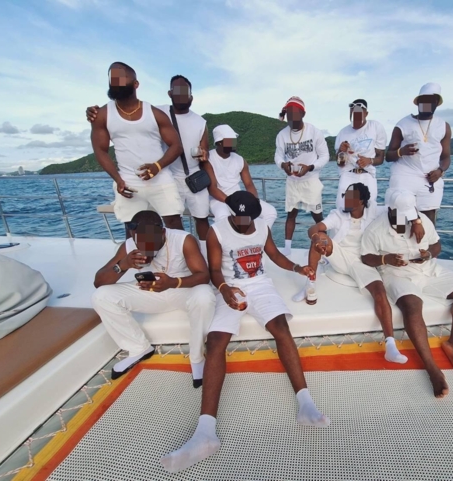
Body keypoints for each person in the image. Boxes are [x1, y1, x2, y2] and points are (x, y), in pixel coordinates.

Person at [160, 191, 329, 473]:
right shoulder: (216, 231)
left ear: (254, 215)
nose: (240, 222)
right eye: (236, 217)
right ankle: (205, 433)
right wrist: (225, 289)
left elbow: (273, 255)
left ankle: (306, 404)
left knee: (281, 328)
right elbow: (215, 269)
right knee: (216, 342)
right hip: (229, 288)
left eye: (245, 218)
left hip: (260, 286)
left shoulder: (262, 227)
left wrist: (297, 268)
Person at [361, 189, 453, 398]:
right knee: (412, 306)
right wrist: (385, 259)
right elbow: (366, 257)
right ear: (390, 210)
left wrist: (429, 254)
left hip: (428, 269)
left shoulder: (421, 220)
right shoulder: (376, 229)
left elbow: (436, 244)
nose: (408, 219)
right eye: (403, 215)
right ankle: (432, 368)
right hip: (397, 274)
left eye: (411, 215)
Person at [91, 210, 215, 387]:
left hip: (182, 289)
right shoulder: (129, 245)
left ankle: (197, 357)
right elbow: (99, 282)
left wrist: (173, 282)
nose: (145, 247)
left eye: (150, 242)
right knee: (101, 296)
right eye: (139, 241)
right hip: (150, 293)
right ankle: (138, 348)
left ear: (163, 232)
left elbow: (203, 276)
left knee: (204, 295)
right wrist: (123, 265)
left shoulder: (183, 239)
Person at [87, 74, 210, 245]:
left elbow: (203, 149)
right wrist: (93, 112)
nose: (182, 94)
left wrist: (203, 153)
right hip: (165, 175)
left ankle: (198, 253)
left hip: (187, 177)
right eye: (177, 90)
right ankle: (142, 256)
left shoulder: (200, 121)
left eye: (185, 91)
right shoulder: (156, 111)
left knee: (195, 218)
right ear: (170, 93)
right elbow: (127, 109)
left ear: (191, 95)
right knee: (143, 224)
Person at [295, 183, 408, 364]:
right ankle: (310, 284)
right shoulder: (338, 214)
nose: (345, 200)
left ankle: (390, 345)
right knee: (321, 237)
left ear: (362, 201)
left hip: (364, 260)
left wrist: (417, 222)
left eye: (350, 197)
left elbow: (398, 209)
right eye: (345, 196)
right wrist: (316, 237)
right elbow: (314, 228)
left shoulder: (375, 211)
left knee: (379, 292)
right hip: (340, 255)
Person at [90, 62, 185, 232]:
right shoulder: (102, 115)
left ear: (136, 84)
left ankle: (176, 251)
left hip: (161, 179)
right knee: (133, 229)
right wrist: (118, 179)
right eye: (112, 78)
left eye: (121, 77)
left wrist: (157, 166)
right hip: (127, 182)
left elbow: (176, 146)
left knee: (174, 224)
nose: (115, 82)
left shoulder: (154, 113)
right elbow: (100, 150)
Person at [385, 83, 452, 224]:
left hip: (430, 180)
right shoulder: (403, 124)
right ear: (418, 103)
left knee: (427, 224)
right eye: (424, 101)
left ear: (436, 104)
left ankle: (423, 240)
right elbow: (388, 156)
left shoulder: (443, 126)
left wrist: (440, 171)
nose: (427, 104)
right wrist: (401, 151)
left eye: (431, 101)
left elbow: (446, 157)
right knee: (399, 223)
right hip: (404, 177)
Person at [275, 96, 330, 255]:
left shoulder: (314, 132)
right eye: (289, 114)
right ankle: (287, 249)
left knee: (317, 216)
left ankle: (325, 247)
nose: (291, 118)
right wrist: (283, 165)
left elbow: (325, 156)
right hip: (292, 181)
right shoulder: (282, 135)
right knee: (291, 214)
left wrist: (311, 167)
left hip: (310, 180)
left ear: (303, 114)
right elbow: (278, 156)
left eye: (295, 113)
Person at [203, 124, 277, 228]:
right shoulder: (209, 159)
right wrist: (231, 203)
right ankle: (229, 238)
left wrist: (253, 201)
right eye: (230, 140)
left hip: (238, 198)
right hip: (218, 200)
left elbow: (249, 184)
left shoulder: (240, 160)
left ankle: (258, 236)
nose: (233, 143)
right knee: (223, 216)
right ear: (219, 142)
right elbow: (212, 189)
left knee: (270, 212)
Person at [334, 99, 387, 209]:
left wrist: (369, 160)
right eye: (353, 113)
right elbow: (340, 163)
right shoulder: (343, 132)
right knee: (343, 207)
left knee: (369, 208)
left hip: (368, 174)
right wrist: (341, 152)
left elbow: (381, 158)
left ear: (366, 113)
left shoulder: (375, 127)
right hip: (347, 174)